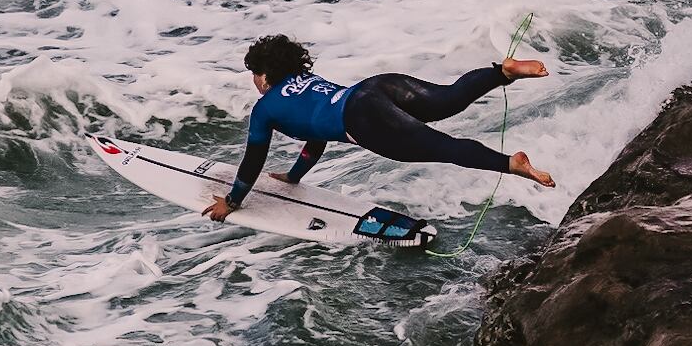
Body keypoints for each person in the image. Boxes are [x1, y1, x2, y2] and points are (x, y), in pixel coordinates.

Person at [202, 35, 554, 221]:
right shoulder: (306, 80)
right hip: (374, 87)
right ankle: (503, 71)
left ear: (264, 76)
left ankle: (512, 164)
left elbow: (253, 160)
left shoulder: (265, 109)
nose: (253, 81)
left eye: (254, 74)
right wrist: (294, 177)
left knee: (442, 148)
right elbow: (316, 137)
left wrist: (231, 202)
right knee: (448, 100)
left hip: (364, 117)